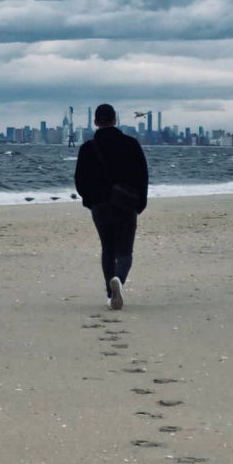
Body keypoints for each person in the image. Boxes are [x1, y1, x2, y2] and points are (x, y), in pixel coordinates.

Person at [74, 103, 149, 310]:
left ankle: (110, 294)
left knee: (108, 249)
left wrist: (90, 201)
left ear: (96, 122)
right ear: (115, 120)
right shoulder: (131, 144)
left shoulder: (87, 148)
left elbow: (80, 181)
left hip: (100, 206)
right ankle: (118, 283)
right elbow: (142, 176)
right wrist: (140, 203)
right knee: (125, 253)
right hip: (126, 204)